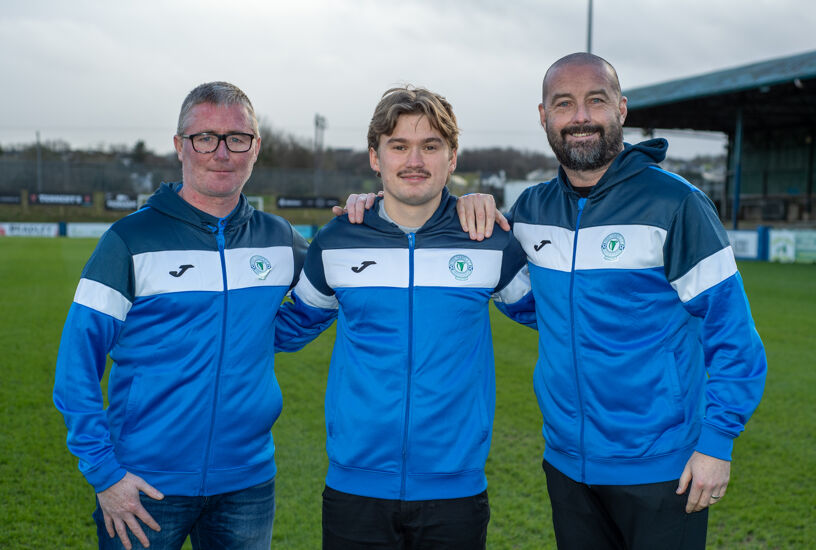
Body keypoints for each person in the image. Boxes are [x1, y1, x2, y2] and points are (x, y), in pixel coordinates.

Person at [343, 54, 768, 549]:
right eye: (563, 104)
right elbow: (525, 300)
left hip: (663, 465)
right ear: (544, 117)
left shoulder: (676, 204)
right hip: (567, 464)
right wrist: (380, 210)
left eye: (596, 101)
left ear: (622, 109)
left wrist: (717, 443)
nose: (580, 116)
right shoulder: (532, 209)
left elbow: (733, 333)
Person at [53, 82, 312, 550]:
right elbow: (76, 366)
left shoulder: (279, 237)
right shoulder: (129, 240)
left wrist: (259, 333)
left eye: (238, 138)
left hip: (247, 484)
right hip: (143, 483)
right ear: (179, 146)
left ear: (255, 148)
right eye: (204, 137)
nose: (221, 152)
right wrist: (104, 473)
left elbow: (335, 286)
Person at [273, 86, 531, 549]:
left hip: (455, 489)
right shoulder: (339, 239)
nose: (415, 160)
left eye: (430, 146)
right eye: (399, 146)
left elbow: (558, 315)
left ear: (452, 158)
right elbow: (292, 325)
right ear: (376, 157)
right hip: (356, 488)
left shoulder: (488, 239)